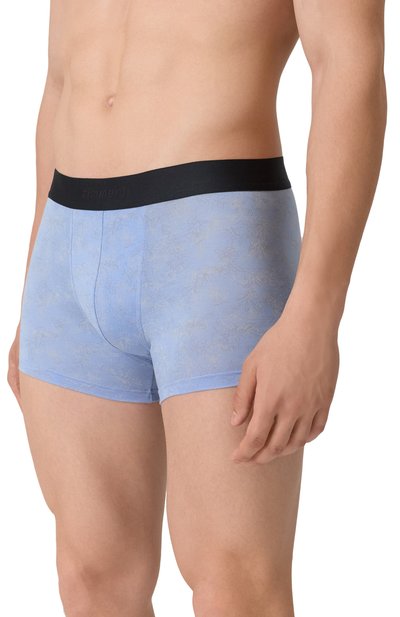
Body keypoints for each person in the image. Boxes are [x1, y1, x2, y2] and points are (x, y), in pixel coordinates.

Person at [7, 1, 386, 616]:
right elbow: (60, 80)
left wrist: (316, 315)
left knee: (236, 586)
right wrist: (34, 283)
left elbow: (348, 64)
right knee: (91, 574)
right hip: (68, 237)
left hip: (216, 231)